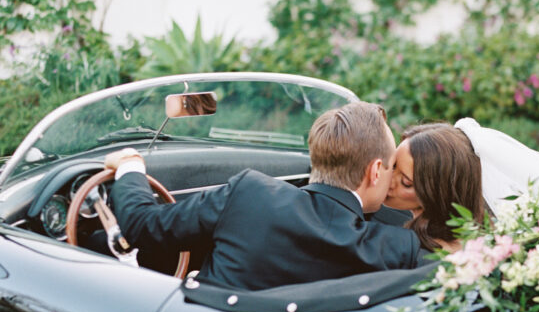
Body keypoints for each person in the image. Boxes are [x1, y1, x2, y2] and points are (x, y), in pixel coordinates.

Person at [105, 101, 426, 292]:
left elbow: (141, 225)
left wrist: (131, 166)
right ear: (374, 171)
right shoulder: (397, 248)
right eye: (392, 168)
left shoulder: (249, 195)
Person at [383, 122, 485, 251]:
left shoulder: (420, 251)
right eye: (392, 166)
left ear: (436, 194)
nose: (388, 181)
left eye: (406, 183)